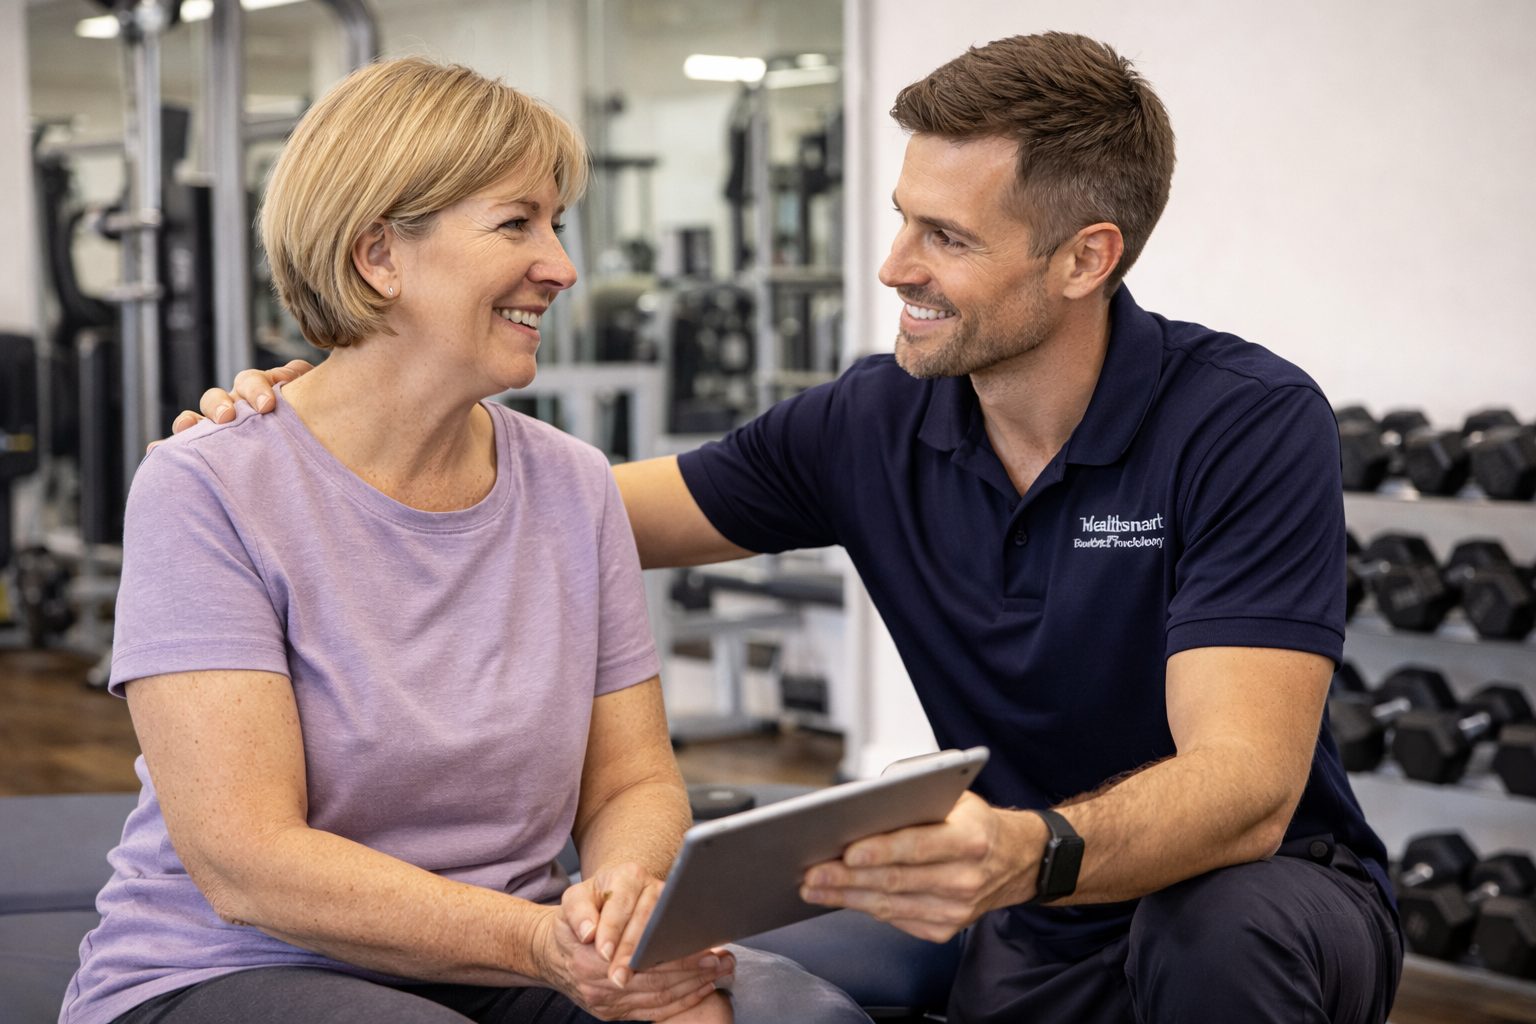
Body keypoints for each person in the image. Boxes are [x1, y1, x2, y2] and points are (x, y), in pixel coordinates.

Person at [183, 32, 1403, 1024]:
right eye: (902, 215)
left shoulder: (1243, 420)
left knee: (1216, 931)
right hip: (1028, 906)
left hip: (1260, 892)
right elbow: (542, 506)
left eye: (947, 238)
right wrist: (335, 415)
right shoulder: (872, 423)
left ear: (1087, 259)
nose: (892, 265)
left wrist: (1022, 853)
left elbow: (1246, 789)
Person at [67, 57, 871, 1024]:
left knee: (751, 1015)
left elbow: (633, 781)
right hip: (228, 964)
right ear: (379, 257)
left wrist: (622, 908)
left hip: (501, 957)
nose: (563, 267)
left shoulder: (574, 481)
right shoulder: (207, 486)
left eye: (557, 224)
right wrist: (541, 944)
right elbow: (249, 863)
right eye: (516, 224)